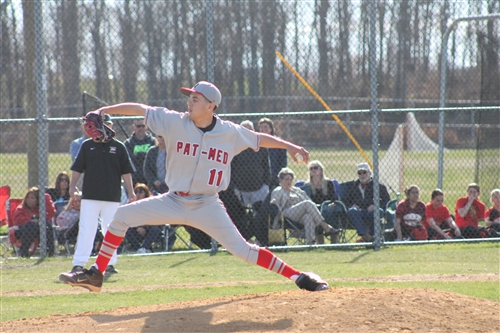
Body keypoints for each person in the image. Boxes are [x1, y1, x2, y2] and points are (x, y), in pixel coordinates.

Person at [59, 80, 330, 292]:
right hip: (173, 200)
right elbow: (141, 109)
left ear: (211, 105)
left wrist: (291, 146)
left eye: (195, 98)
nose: (190, 102)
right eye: (189, 97)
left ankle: (299, 276)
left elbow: (260, 138)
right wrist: (104, 110)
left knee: (244, 250)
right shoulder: (174, 120)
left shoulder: (230, 132)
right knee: (121, 217)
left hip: (207, 204)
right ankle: (96, 274)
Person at [65, 117, 135, 275]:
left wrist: (131, 192)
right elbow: (77, 168)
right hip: (90, 196)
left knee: (110, 230)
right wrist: (72, 187)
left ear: (109, 127)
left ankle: (109, 263)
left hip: (112, 196)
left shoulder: (118, 147)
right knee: (86, 229)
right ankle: (79, 263)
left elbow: (126, 171)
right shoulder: (87, 145)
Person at [270, 167, 339, 245]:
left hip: (300, 214)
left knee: (308, 216)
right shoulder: (278, 190)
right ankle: (325, 226)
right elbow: (274, 205)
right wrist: (273, 202)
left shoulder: (297, 190)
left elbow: (310, 202)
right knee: (307, 203)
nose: (289, 181)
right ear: (281, 180)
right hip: (286, 213)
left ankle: (310, 243)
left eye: (291, 179)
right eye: (286, 179)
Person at [230, 120, 271, 246]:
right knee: (238, 216)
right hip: (240, 190)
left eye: (249, 129)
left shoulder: (261, 147)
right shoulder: (234, 147)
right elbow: (229, 169)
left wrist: (266, 185)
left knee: (261, 215)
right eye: (244, 130)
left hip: (259, 188)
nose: (247, 132)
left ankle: (261, 240)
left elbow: (266, 168)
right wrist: (234, 188)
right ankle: (240, 241)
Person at [343, 162, 390, 242]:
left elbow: (387, 200)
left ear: (370, 173)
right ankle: (368, 237)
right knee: (351, 211)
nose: (362, 175)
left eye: (364, 172)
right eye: (359, 173)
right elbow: (345, 201)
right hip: (359, 212)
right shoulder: (353, 186)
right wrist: (352, 206)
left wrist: (375, 205)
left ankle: (370, 237)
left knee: (378, 211)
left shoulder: (378, 185)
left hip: (372, 211)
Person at [12, 187, 56, 257]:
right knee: (31, 225)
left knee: (47, 224)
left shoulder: (39, 209)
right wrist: (30, 220)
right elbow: (17, 220)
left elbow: (51, 212)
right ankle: (24, 252)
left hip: (38, 230)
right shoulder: (21, 208)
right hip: (22, 231)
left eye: (32, 198)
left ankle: (50, 252)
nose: (29, 200)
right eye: (28, 198)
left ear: (37, 200)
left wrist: (45, 196)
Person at [302, 160, 339, 244]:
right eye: (311, 169)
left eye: (315, 168)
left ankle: (334, 243)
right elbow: (307, 200)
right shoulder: (307, 186)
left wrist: (331, 204)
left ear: (321, 170)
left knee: (333, 213)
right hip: (315, 209)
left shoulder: (329, 183)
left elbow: (334, 198)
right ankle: (321, 243)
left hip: (328, 208)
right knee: (315, 214)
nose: (313, 170)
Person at [124, 184, 162, 254]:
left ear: (146, 194)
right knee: (127, 230)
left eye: (141, 192)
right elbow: (129, 219)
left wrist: (144, 227)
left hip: (148, 228)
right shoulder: (131, 204)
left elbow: (153, 219)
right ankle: (139, 249)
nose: (138, 194)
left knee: (155, 229)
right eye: (136, 192)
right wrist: (138, 227)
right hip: (135, 229)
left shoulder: (150, 204)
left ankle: (144, 248)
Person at [124, 118, 156, 186]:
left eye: (143, 126)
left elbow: (153, 160)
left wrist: (138, 155)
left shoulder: (153, 141)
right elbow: (130, 160)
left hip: (150, 178)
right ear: (134, 127)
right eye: (138, 126)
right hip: (134, 178)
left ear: (146, 126)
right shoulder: (128, 143)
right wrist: (144, 155)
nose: (141, 128)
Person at [258, 117, 287, 188]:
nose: (263, 129)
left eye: (265, 127)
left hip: (275, 177)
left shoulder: (278, 143)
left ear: (271, 129)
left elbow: (283, 162)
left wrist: (277, 175)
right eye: (261, 127)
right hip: (260, 178)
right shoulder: (257, 143)